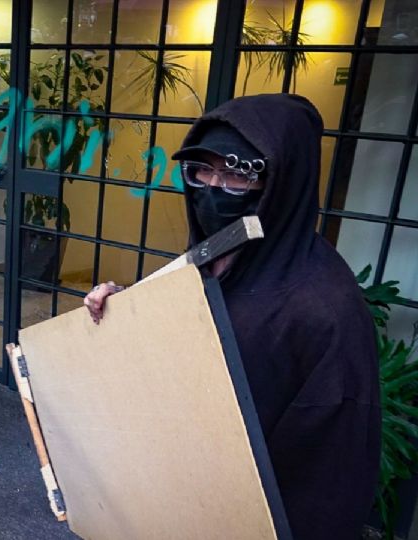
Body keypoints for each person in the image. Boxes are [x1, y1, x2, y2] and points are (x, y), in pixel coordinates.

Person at [83, 94, 380, 540]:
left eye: (238, 175)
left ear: (282, 184)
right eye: (202, 170)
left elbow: (330, 486)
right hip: (171, 502)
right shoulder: (215, 254)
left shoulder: (327, 311)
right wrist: (125, 309)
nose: (212, 188)